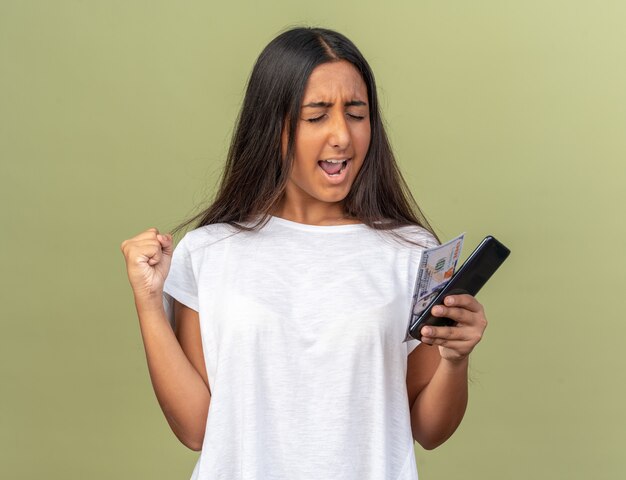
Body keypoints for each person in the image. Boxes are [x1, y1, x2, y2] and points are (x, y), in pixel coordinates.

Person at [120, 27, 488, 480]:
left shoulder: (412, 252)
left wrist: (455, 359)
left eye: (356, 113)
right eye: (316, 117)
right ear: (272, 126)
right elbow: (196, 430)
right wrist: (148, 302)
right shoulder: (210, 251)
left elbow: (428, 430)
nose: (342, 137)